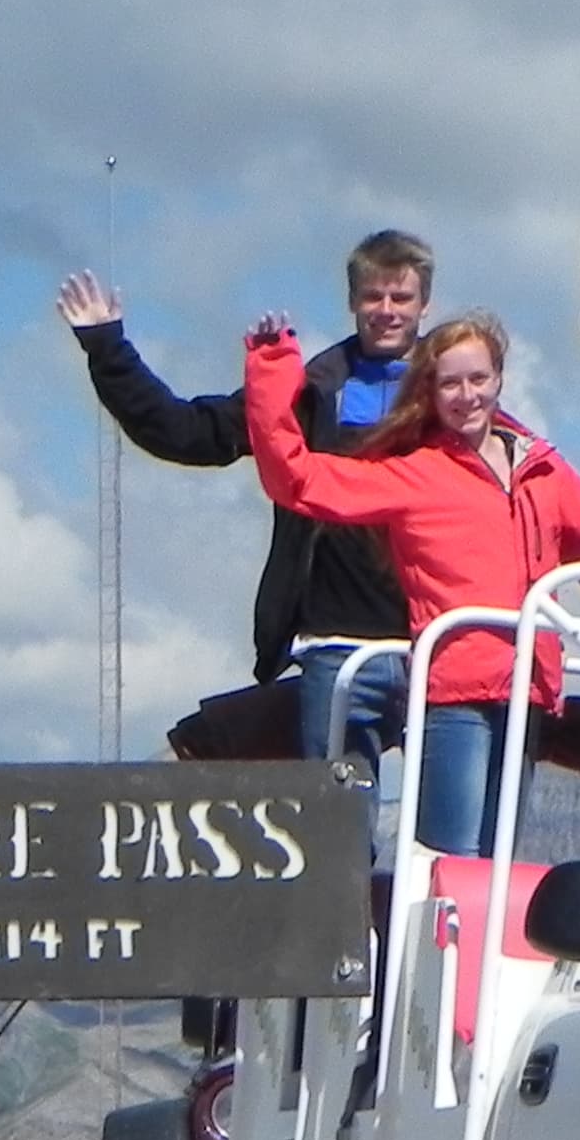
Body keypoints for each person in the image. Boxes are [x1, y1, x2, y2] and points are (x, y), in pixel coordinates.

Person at [241, 307, 580, 857]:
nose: (466, 395)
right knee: (452, 866)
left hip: (529, 690)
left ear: (499, 378)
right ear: (430, 391)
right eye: (450, 383)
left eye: (478, 378)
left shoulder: (542, 469)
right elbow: (297, 479)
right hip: (456, 695)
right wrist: (270, 367)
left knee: (500, 866)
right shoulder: (416, 473)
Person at [58, 232, 429, 768]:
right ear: (352, 302)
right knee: (335, 818)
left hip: (434, 647)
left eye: (402, 298)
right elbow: (186, 432)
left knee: (460, 832)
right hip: (332, 651)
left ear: (424, 304)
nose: (387, 311)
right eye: (374, 297)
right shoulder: (308, 395)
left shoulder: (454, 399)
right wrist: (107, 347)